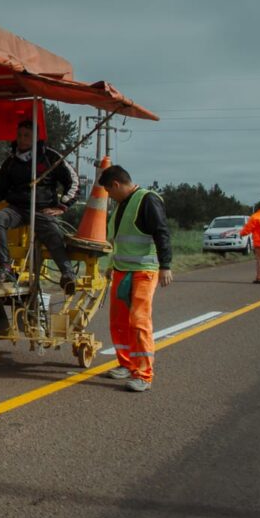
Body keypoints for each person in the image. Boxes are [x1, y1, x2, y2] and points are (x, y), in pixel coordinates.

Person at [0, 120, 79, 293]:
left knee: (54, 236)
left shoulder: (51, 157)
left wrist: (62, 206)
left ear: (36, 138)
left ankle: (68, 275)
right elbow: (0, 186)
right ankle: (5, 268)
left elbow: (73, 181)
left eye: (26, 136)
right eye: (19, 135)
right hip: (17, 209)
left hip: (43, 209)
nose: (22, 139)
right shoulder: (11, 161)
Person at [99, 164, 173, 393]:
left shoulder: (147, 200)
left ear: (116, 184)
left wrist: (166, 265)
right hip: (122, 269)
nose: (109, 197)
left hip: (144, 270)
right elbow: (119, 241)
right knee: (119, 321)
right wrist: (111, 265)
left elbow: (162, 232)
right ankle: (127, 363)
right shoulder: (122, 205)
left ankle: (143, 374)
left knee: (139, 321)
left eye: (109, 192)